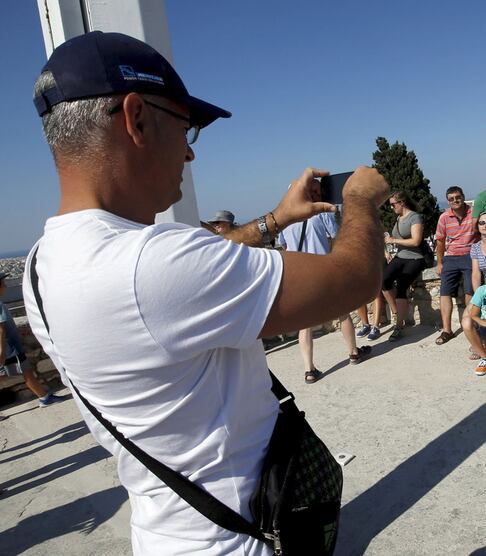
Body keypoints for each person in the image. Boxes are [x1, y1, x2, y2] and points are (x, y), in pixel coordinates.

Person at [23, 31, 388, 554]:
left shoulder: (44, 262)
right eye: (186, 125)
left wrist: (276, 219)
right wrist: (361, 200)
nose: (191, 151)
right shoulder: (150, 266)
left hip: (168, 532)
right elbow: (356, 278)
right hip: (243, 537)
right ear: (136, 117)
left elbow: (190, 278)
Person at [278, 186, 372, 384]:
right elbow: (337, 238)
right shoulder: (321, 212)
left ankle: (309, 370)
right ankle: (354, 353)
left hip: (299, 275)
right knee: (343, 312)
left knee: (305, 325)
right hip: (324, 270)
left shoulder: (286, 219)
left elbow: (284, 247)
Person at [0, 272, 68, 416]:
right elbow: (1, 329)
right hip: (8, 348)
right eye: (3, 283)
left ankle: (44, 397)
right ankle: (44, 398)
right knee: (26, 371)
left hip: (6, 348)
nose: (5, 286)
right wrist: (2, 350)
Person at [375, 190, 426, 342]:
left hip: (415, 258)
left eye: (392, 204)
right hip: (401, 256)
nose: (391, 208)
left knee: (402, 284)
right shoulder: (399, 218)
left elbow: (416, 241)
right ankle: (398, 313)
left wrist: (393, 241)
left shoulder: (415, 217)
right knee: (384, 281)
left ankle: (398, 326)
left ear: (402, 202)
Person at [433, 186, 475, 345]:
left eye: (457, 197)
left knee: (470, 288)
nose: (455, 201)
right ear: (448, 201)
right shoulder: (444, 217)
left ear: (463, 197)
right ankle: (447, 330)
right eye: (451, 199)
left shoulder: (473, 213)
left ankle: (471, 326)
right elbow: (440, 241)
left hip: (470, 254)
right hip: (451, 257)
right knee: (444, 291)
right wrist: (439, 263)